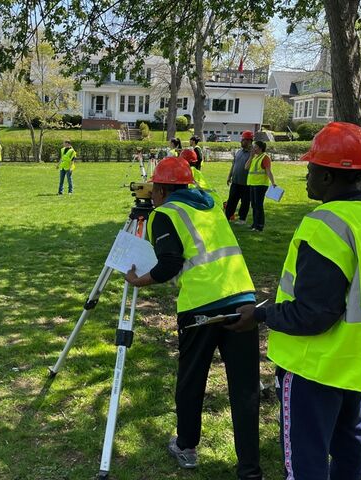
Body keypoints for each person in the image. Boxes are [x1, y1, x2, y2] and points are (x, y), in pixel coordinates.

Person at [226, 122, 361, 480]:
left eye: (311, 169)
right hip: (357, 361)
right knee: (349, 449)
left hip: (313, 366)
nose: (306, 177)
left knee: (305, 461)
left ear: (327, 176)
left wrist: (261, 315)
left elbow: (313, 314)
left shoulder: (325, 224)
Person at [125, 156, 262, 479]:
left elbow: (169, 263)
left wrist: (139, 280)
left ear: (161, 190)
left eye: (154, 190)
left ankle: (186, 445)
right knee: (245, 389)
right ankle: (250, 469)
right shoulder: (211, 205)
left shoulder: (164, 214)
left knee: (192, 379)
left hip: (201, 307)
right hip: (243, 299)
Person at [244, 140, 277, 232]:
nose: (253, 149)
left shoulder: (265, 157)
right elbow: (246, 167)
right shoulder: (254, 157)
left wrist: (273, 182)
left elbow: (268, 171)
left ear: (260, 148)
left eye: (255, 147)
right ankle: (254, 224)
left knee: (258, 205)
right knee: (254, 205)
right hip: (252, 183)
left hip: (261, 185)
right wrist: (251, 157)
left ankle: (259, 225)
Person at [225, 130, 253, 224]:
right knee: (231, 200)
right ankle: (227, 216)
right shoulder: (239, 152)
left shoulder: (253, 154)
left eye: (243, 140)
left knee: (245, 202)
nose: (241, 141)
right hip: (235, 182)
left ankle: (242, 219)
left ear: (249, 141)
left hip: (246, 183)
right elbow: (233, 165)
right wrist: (229, 176)